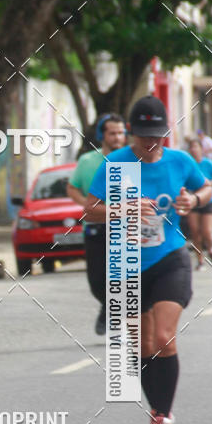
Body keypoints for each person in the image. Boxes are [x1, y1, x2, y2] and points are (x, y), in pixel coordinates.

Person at [86, 95, 211, 424]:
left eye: (155, 135)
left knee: (164, 338)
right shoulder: (116, 163)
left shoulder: (179, 161)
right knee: (141, 343)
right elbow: (89, 211)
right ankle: (156, 414)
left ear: (165, 132)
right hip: (126, 261)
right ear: (130, 133)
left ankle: (164, 419)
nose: (149, 142)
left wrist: (195, 201)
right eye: (142, 135)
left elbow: (205, 186)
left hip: (171, 257)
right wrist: (122, 208)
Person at [67, 114, 126, 334]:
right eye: (112, 133)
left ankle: (118, 317)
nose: (118, 137)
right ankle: (107, 305)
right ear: (102, 135)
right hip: (95, 226)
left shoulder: (133, 159)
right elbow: (72, 188)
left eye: (121, 133)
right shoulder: (87, 161)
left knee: (121, 276)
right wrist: (87, 205)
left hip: (124, 227)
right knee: (97, 280)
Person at [187, 137, 212, 270]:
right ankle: (200, 260)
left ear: (201, 149)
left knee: (207, 231)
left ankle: (210, 249)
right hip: (192, 200)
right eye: (191, 147)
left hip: (208, 200)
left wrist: (209, 183)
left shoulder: (208, 163)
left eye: (196, 147)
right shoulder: (188, 164)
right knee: (195, 231)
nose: (193, 149)